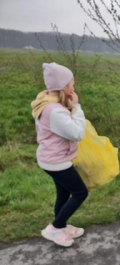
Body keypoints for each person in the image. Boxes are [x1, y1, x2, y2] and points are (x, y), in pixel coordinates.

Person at [31, 63, 88, 247]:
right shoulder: (55, 110)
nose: (73, 86)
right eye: (71, 83)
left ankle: (61, 226)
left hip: (50, 158)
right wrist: (77, 107)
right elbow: (77, 133)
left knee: (63, 194)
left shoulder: (47, 104)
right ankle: (54, 228)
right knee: (80, 193)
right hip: (57, 161)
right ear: (64, 86)